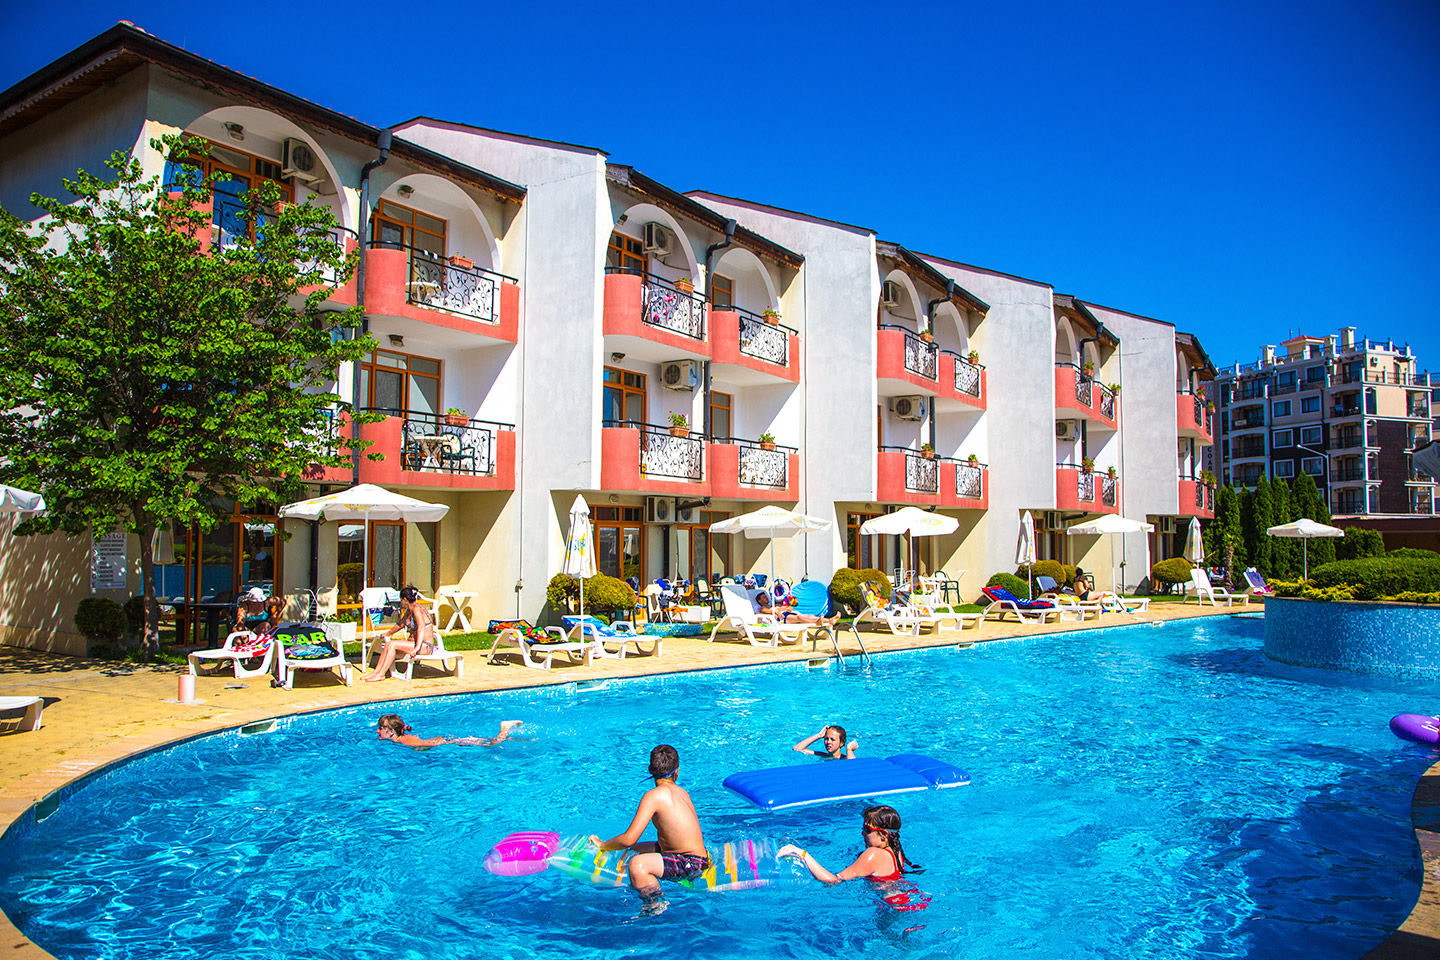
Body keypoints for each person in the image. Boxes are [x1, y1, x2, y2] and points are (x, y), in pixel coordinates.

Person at [589, 744, 709, 915]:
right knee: (635, 850)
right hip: (697, 857)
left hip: (690, 863)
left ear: (650, 770)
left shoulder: (653, 797)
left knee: (637, 865)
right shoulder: (682, 792)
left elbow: (628, 838)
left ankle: (654, 904)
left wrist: (603, 845)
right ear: (677, 770)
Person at [777, 805, 930, 911]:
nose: (862, 833)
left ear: (883, 835)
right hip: (908, 903)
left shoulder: (873, 855)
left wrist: (802, 854)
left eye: (867, 830)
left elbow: (833, 881)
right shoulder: (896, 851)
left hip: (896, 912)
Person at [363, 585, 435, 682]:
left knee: (392, 644)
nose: (400, 602)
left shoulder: (417, 609)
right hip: (413, 644)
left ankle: (381, 674)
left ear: (405, 599)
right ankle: (376, 672)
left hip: (424, 646)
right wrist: (388, 633)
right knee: (388, 644)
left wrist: (416, 648)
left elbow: (421, 627)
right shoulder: (410, 610)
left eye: (401, 600)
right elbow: (401, 624)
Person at [376, 714, 523, 748]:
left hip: (452, 742)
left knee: (493, 744)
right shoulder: (402, 739)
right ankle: (513, 738)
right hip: (449, 741)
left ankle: (505, 727)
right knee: (488, 742)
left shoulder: (404, 740)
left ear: (391, 731)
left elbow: (424, 745)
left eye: (381, 728)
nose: (377, 731)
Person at [757, 591, 839, 629]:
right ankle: (825, 621)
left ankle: (828, 620)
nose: (766, 598)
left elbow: (787, 607)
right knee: (800, 618)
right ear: (760, 601)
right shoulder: (763, 608)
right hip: (781, 619)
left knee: (806, 616)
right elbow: (769, 611)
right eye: (764, 597)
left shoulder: (774, 605)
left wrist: (787, 608)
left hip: (787, 614)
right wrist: (777, 611)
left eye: (766, 596)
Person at [793, 724, 858, 759]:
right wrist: (819, 735)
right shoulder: (823, 755)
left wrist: (849, 749)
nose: (828, 742)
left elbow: (854, 766)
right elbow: (797, 749)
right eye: (826, 739)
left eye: (832, 739)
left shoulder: (844, 759)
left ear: (841, 743)